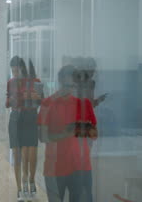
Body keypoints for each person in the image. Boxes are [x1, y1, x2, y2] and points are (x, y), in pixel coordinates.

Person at [37, 65, 97, 202]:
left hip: (81, 168)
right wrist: (67, 132)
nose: (69, 89)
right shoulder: (47, 104)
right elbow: (43, 137)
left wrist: (77, 130)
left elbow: (93, 135)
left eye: (72, 85)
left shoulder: (85, 104)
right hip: (55, 169)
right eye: (66, 85)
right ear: (60, 82)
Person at [5, 56, 43, 200]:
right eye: (12, 71)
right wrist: (12, 100)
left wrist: (33, 97)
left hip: (31, 118)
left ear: (22, 69)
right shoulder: (11, 83)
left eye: (16, 71)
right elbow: (7, 103)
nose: (14, 74)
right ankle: (20, 189)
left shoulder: (35, 82)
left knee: (31, 155)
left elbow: (41, 100)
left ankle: (31, 182)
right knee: (17, 155)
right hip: (15, 119)